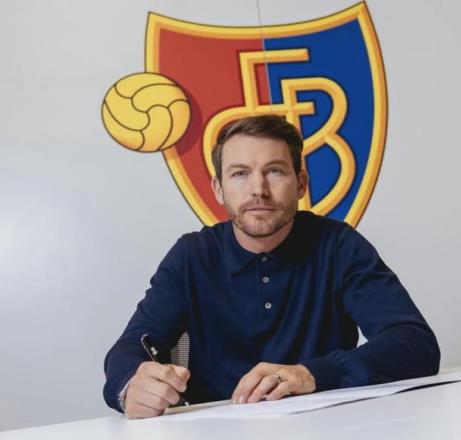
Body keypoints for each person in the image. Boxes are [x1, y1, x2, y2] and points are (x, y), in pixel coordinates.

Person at [103, 114, 440, 419]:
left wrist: (311, 374)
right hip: (218, 431)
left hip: (327, 426)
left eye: (275, 171)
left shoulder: (338, 245)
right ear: (219, 189)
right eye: (240, 174)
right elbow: (129, 348)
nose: (258, 190)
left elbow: (415, 344)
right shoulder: (192, 255)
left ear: (301, 183)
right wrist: (131, 387)